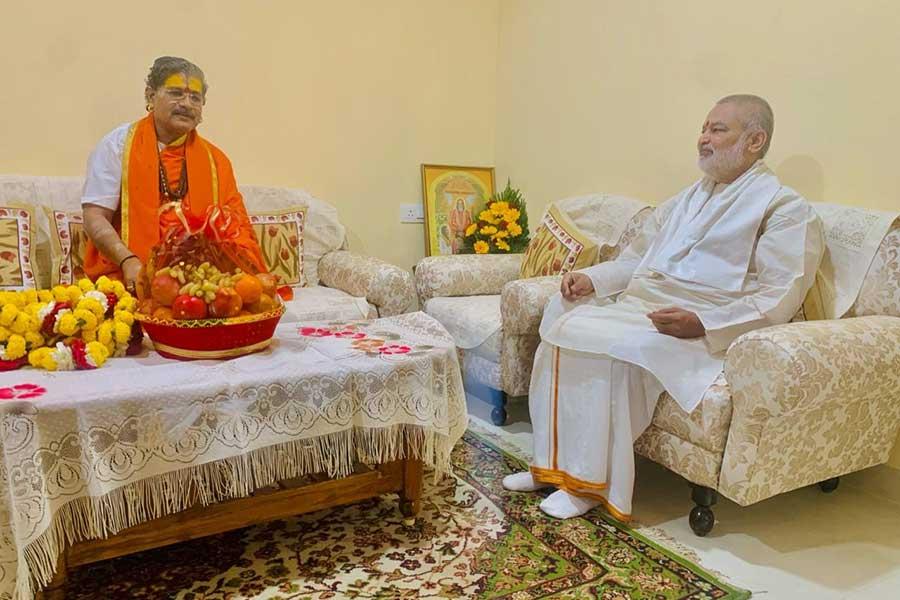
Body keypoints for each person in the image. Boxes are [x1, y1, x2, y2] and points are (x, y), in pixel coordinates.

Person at [502, 94, 825, 521]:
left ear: (755, 140)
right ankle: (551, 468)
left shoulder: (784, 208)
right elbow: (637, 257)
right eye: (704, 128)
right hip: (645, 307)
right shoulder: (688, 198)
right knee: (560, 314)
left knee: (610, 342)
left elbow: (777, 297)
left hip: (703, 330)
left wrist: (703, 324)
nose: (703, 139)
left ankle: (589, 486)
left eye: (717, 129)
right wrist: (593, 279)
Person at [82, 56, 266, 292]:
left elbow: (236, 227)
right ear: (150, 96)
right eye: (176, 93)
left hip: (201, 280)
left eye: (195, 98)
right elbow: (94, 216)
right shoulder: (118, 145)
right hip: (128, 271)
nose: (187, 104)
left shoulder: (216, 161)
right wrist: (128, 260)